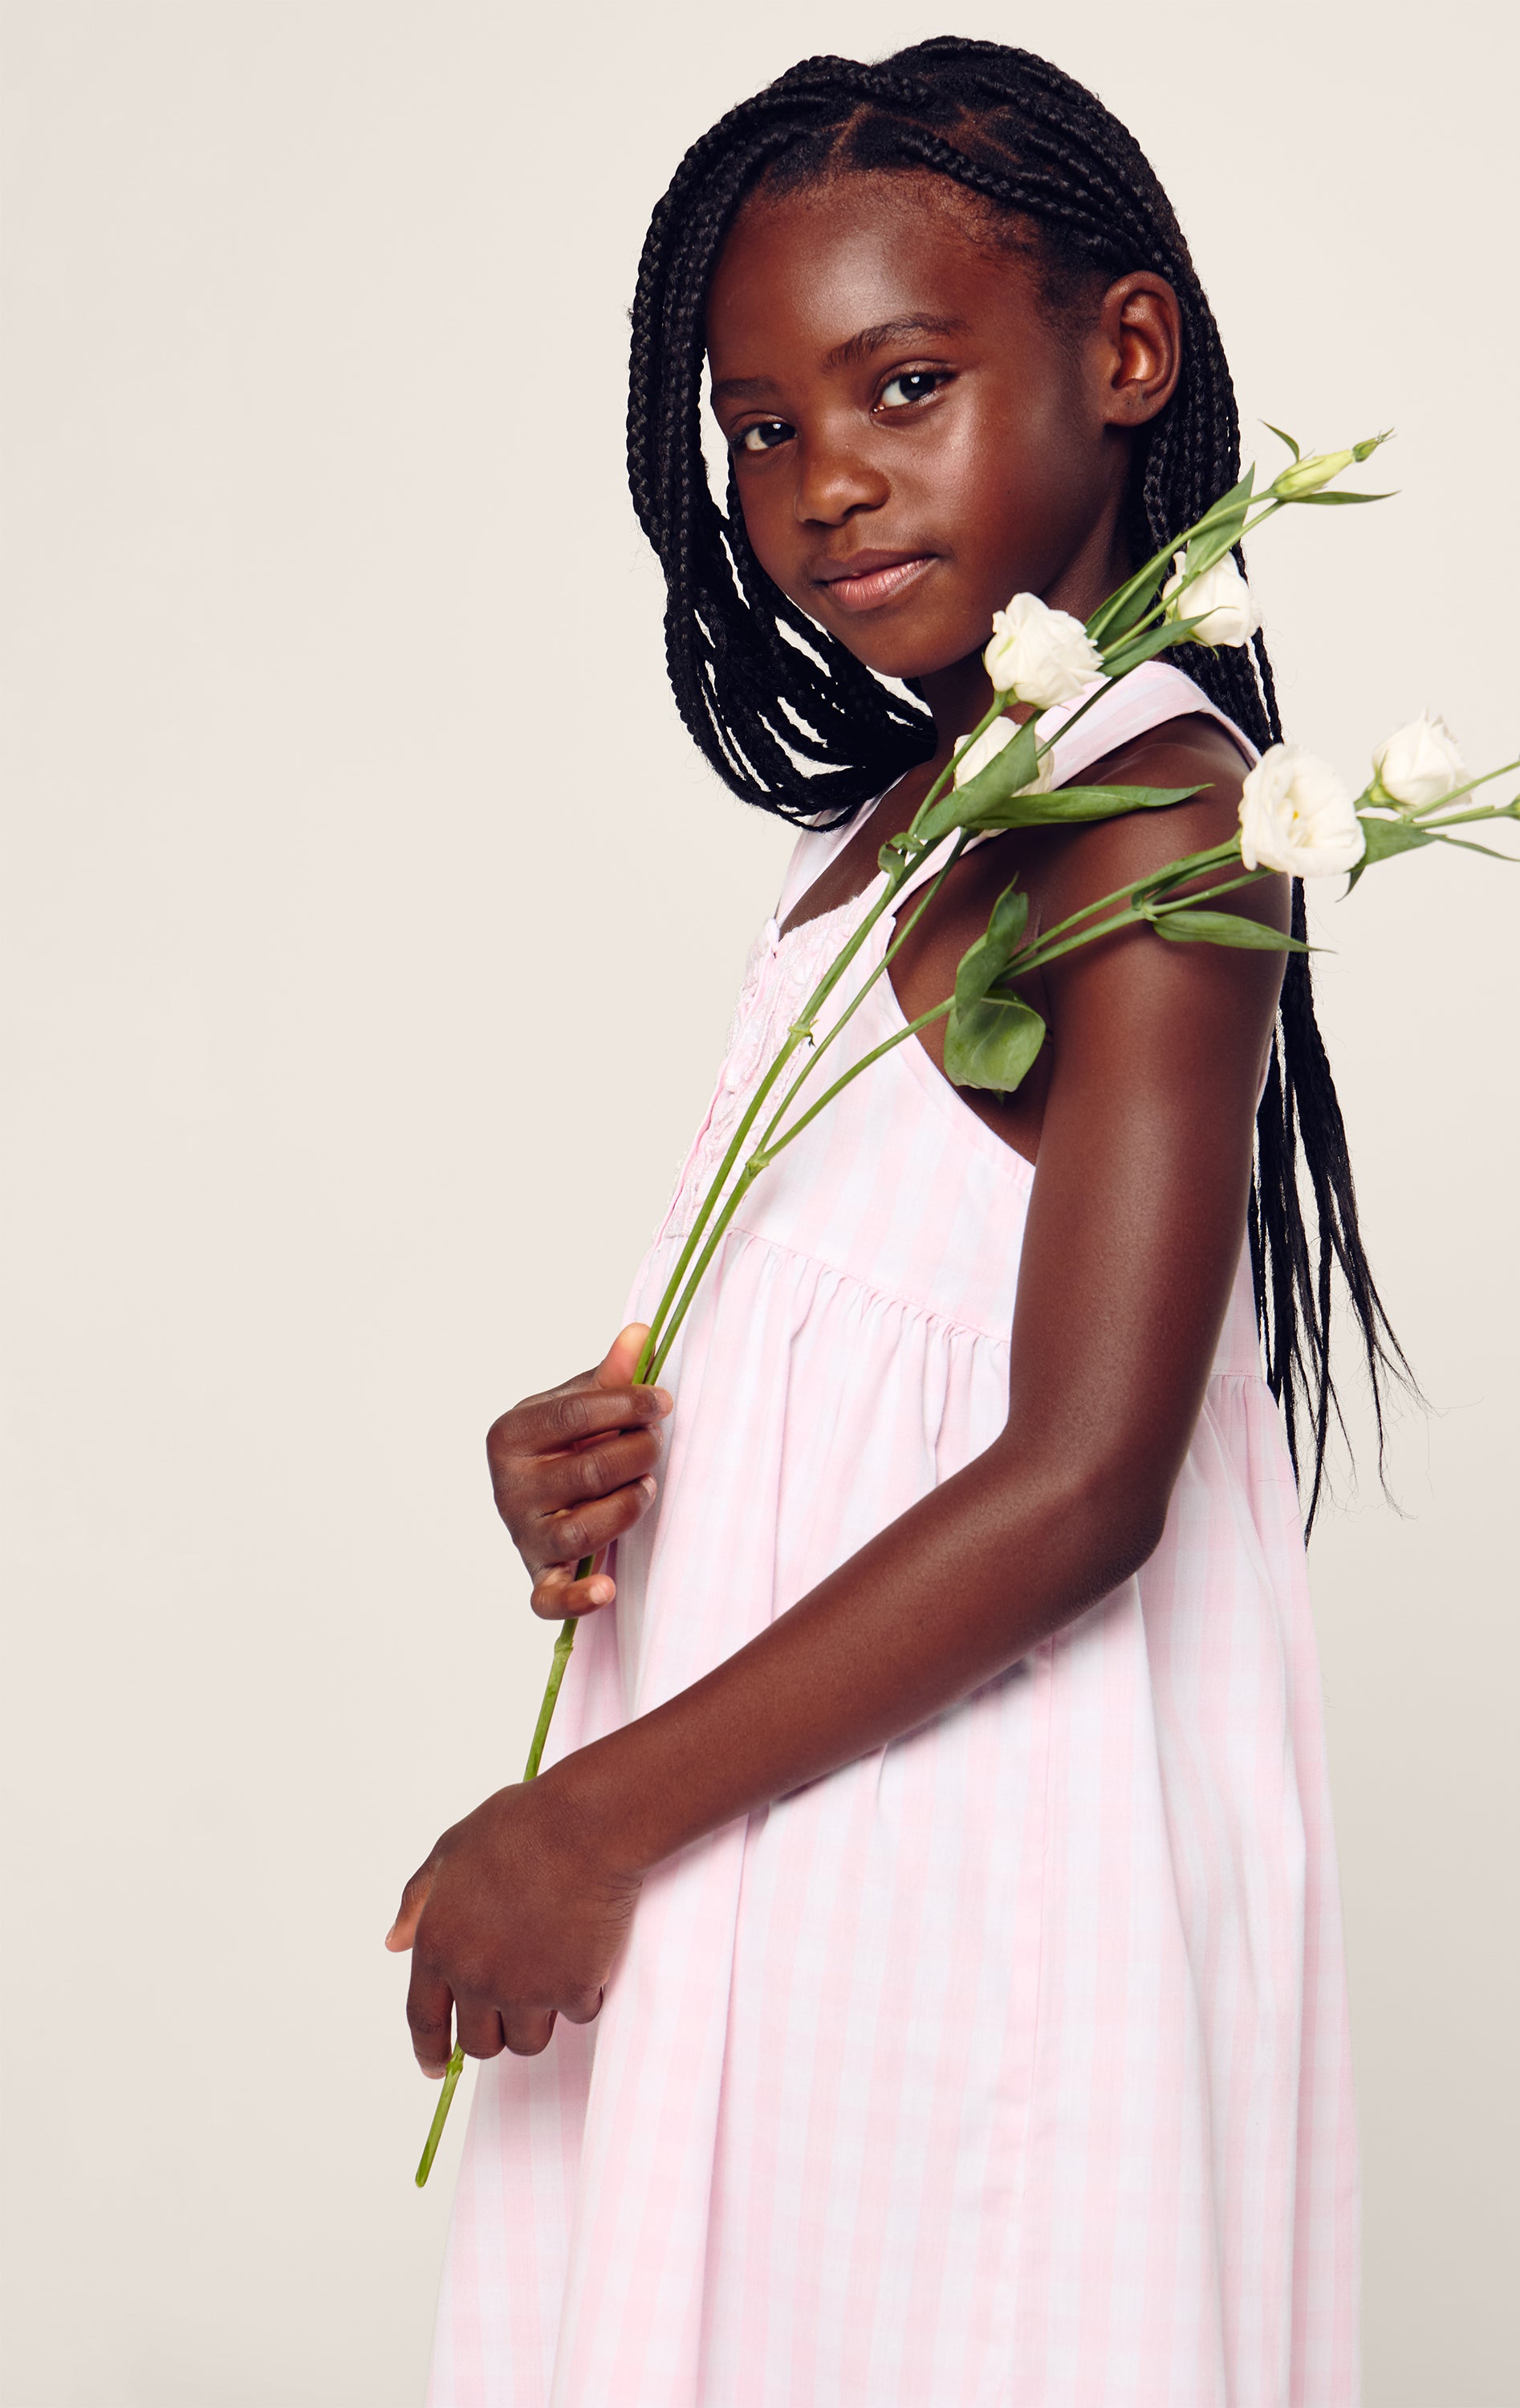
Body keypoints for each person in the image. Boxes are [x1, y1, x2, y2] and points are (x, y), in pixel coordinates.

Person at [390, 39, 1402, 2406]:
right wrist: (637, 1435)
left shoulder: (1153, 822)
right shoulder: (906, 832)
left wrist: (583, 1822)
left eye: (905, 383)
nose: (821, 482)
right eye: (757, 427)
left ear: (1122, 354)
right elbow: (891, 1309)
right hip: (790, 1850)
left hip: (953, 1883)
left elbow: (1084, 1481)